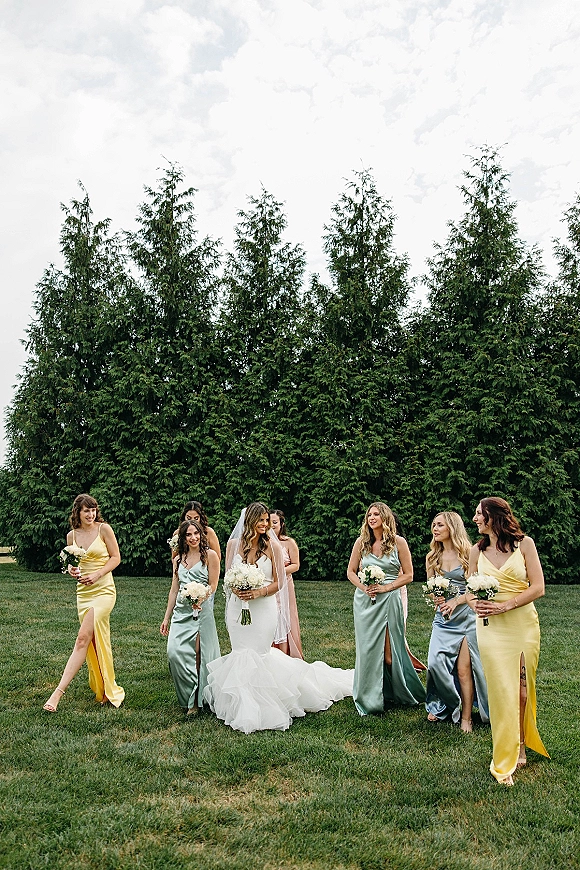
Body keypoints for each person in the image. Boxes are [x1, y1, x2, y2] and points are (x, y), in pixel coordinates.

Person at [204, 502, 353, 733]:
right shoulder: (234, 544)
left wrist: (258, 592)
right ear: (250, 521)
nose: (265, 524)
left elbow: (280, 582)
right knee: (240, 652)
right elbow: (226, 576)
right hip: (237, 609)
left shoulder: (272, 547)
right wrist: (236, 588)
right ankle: (242, 704)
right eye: (261, 520)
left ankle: (265, 704)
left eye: (267, 520)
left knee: (259, 654)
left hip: (263, 607)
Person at [468, 497, 549, 785]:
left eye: (480, 514)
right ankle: (506, 755)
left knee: (523, 691)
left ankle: (522, 744)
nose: (476, 518)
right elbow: (468, 589)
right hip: (490, 628)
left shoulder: (524, 544)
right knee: (502, 689)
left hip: (522, 624)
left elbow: (538, 588)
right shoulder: (476, 551)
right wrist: (473, 603)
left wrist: (505, 605)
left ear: (494, 517)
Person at [43, 494, 125, 712]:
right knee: (89, 641)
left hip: (104, 589)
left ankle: (57, 693)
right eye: (86, 511)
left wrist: (97, 575)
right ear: (77, 512)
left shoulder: (104, 529)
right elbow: (72, 564)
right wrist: (72, 571)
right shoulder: (72, 536)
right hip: (83, 592)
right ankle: (103, 688)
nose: (91, 515)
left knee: (81, 639)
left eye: (94, 510)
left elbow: (116, 558)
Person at [347, 502, 425, 715]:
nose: (371, 518)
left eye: (376, 514)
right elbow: (351, 572)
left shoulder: (398, 542)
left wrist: (386, 587)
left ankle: (399, 691)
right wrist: (365, 588)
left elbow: (409, 575)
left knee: (390, 655)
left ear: (385, 517)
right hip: (365, 602)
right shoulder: (361, 543)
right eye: (369, 515)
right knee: (367, 650)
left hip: (389, 600)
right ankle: (369, 695)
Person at [425, 511, 489, 731]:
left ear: (452, 527)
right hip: (443, 618)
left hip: (465, 617)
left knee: (463, 670)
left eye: (440, 525)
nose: (435, 528)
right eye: (434, 525)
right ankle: (447, 704)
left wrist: (456, 602)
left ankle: (466, 717)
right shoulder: (432, 557)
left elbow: (474, 586)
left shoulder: (468, 553)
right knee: (435, 663)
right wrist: (438, 598)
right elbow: (431, 586)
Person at [161, 520, 220, 715]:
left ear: (201, 535)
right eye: (188, 535)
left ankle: (197, 700)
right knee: (174, 653)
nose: (193, 538)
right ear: (183, 538)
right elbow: (173, 588)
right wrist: (166, 617)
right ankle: (187, 694)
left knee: (198, 655)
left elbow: (213, 584)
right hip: (181, 612)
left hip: (201, 612)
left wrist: (201, 597)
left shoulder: (210, 556)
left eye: (196, 534)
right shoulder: (178, 559)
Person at [269, 509, 303, 658]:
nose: (271, 525)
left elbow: (296, 565)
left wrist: (280, 572)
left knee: (285, 616)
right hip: (268, 585)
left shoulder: (289, 542)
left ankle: (287, 653)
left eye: (275, 522)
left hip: (285, 585)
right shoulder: (263, 542)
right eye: (268, 522)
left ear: (281, 524)